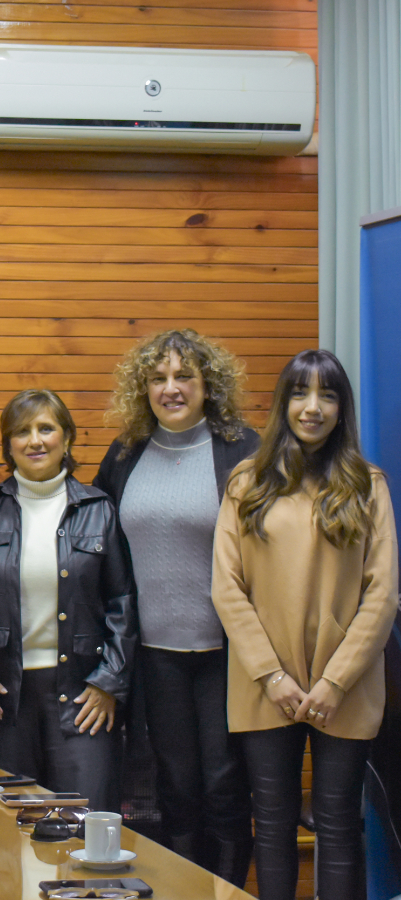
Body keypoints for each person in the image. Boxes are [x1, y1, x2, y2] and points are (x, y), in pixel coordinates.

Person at [212, 349, 398, 900]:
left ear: (342, 409)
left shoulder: (367, 485)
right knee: (271, 826)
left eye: (327, 395)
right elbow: (227, 588)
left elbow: (382, 594)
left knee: (338, 826)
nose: (312, 407)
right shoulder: (247, 482)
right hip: (265, 685)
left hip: (347, 688)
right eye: (300, 393)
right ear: (283, 404)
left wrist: (335, 682)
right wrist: (271, 676)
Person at [93, 329, 257, 882]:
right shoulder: (125, 454)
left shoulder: (243, 450)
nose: (171, 388)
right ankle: (186, 892)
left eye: (184, 375)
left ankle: (228, 893)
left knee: (224, 786)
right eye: (158, 378)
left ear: (208, 384)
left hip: (226, 656)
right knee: (175, 788)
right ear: (142, 389)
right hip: (154, 657)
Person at [0, 389, 135, 811]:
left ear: (67, 437)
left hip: (82, 696)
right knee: (6, 827)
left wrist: (108, 681)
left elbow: (123, 601)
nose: (35, 440)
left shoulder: (99, 510)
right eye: (22, 431)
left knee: (86, 823)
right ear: (8, 444)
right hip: (4, 700)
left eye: (46, 428)